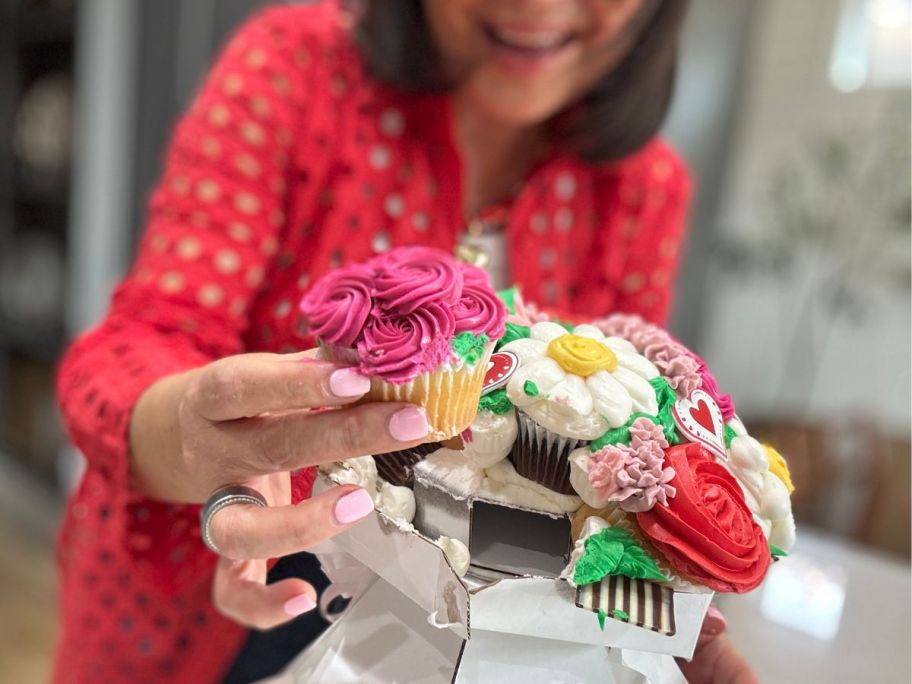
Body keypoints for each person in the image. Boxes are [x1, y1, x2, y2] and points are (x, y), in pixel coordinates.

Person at [54, 0, 757, 682]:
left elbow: (620, 448)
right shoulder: (297, 68)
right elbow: (142, 341)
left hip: (468, 632)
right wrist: (196, 437)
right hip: (210, 602)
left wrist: (643, 632)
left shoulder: (642, 187)